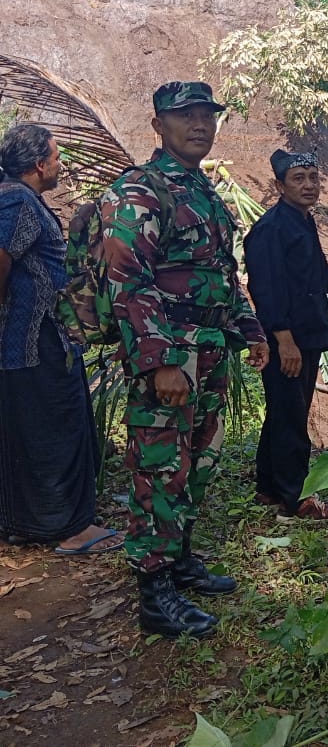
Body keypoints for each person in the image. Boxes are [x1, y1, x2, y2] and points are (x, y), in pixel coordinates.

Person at [99, 81, 269, 639]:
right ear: (158, 125)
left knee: (196, 462)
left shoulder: (202, 191)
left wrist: (250, 329)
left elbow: (220, 273)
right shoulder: (140, 191)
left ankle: (179, 560)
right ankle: (154, 592)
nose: (199, 124)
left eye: (207, 115)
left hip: (209, 349)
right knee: (159, 467)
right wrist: (161, 361)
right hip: (171, 353)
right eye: (185, 115)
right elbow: (128, 280)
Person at [0, 123, 123, 556]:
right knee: (56, 428)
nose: (60, 164)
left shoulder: (20, 197)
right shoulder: (16, 200)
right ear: (38, 164)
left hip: (35, 341)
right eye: (56, 157)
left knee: (33, 428)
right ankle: (69, 529)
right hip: (36, 341)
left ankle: (25, 523)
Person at [243, 149, 328, 520]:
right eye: (298, 178)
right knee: (291, 418)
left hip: (307, 335)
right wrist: (284, 340)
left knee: (285, 412)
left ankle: (269, 488)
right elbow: (265, 290)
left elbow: (317, 273)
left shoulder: (302, 221)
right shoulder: (271, 230)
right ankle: (295, 500)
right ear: (279, 185)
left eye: (313, 177)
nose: (308, 185)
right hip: (289, 340)